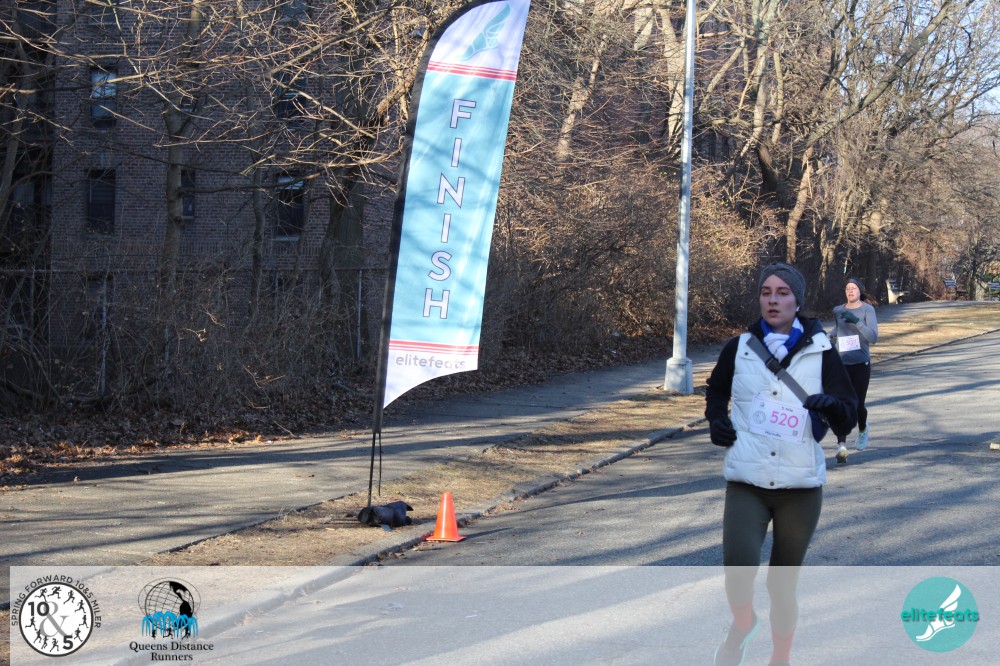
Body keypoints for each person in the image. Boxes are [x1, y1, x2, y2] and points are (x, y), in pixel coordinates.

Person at [705, 263, 857, 666]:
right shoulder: (738, 347)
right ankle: (744, 624)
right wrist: (716, 421)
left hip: (800, 487)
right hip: (747, 480)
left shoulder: (823, 351)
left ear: (797, 301)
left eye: (782, 292)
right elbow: (716, 391)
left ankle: (780, 658)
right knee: (738, 573)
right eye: (766, 292)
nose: (773, 300)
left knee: (781, 585)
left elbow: (848, 414)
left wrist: (832, 407)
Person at [829, 277, 878, 462]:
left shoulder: (867, 310)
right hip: (841, 364)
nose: (850, 291)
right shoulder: (838, 310)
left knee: (857, 406)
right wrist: (826, 336)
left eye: (854, 288)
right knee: (840, 405)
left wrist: (857, 321)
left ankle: (863, 428)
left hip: (860, 364)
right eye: (848, 288)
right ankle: (841, 445)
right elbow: (837, 330)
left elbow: (873, 337)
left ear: (860, 291)